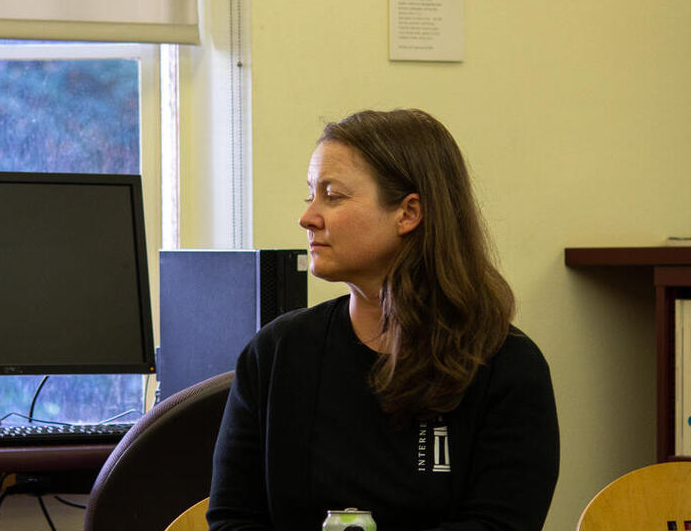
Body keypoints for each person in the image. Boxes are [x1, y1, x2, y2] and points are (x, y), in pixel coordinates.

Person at [207, 109, 559, 530]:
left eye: (332, 195)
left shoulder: (506, 367)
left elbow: (501, 525)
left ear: (408, 213)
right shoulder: (277, 353)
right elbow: (233, 519)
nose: (308, 217)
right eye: (310, 195)